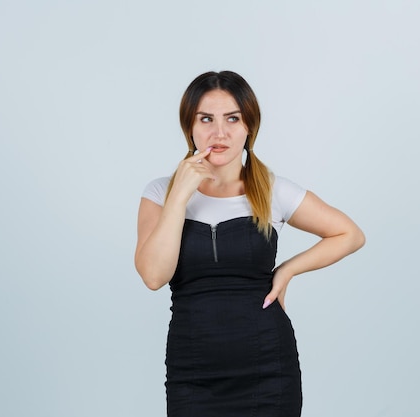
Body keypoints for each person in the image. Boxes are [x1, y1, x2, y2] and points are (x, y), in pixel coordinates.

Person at [134, 70, 365, 416]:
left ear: (248, 127)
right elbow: (154, 276)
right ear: (190, 128)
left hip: (268, 370)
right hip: (193, 373)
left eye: (232, 119)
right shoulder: (160, 193)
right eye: (206, 119)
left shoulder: (272, 190)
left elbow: (350, 234)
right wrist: (180, 196)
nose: (219, 132)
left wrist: (287, 271)